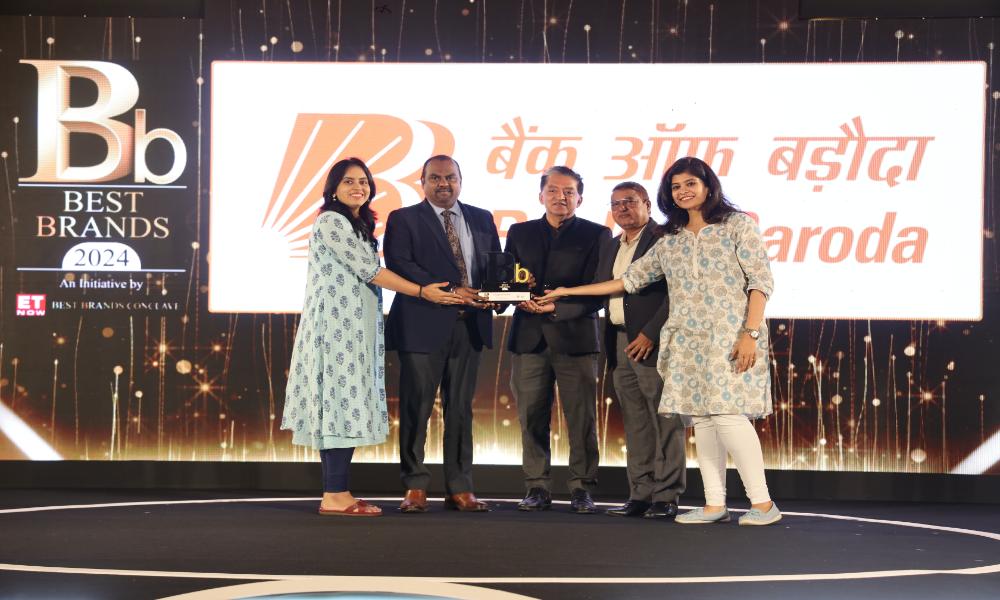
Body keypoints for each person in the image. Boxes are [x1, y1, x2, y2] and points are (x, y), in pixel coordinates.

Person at [537, 157, 781, 526]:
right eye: (675, 187)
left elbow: (760, 282)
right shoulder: (671, 239)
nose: (683, 192)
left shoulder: (737, 225)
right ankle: (714, 504)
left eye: (690, 184)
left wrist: (750, 333)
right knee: (703, 420)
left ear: (708, 186)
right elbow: (628, 280)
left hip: (731, 337)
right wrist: (567, 291)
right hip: (685, 342)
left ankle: (762, 504)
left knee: (729, 416)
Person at [281, 157, 465, 517]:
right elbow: (371, 271)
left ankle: (337, 491)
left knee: (344, 407)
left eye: (363, 181)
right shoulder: (331, 221)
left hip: (354, 331)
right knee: (337, 407)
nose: (358, 187)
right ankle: (335, 494)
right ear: (333, 189)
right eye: (349, 182)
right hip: (335, 332)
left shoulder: (358, 224)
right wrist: (423, 291)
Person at [384, 155, 502, 513]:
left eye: (450, 177)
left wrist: (499, 296)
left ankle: (460, 488)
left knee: (461, 410)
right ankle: (415, 486)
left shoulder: (482, 217)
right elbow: (400, 263)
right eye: (435, 178)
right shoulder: (403, 218)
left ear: (460, 181)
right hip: (422, 325)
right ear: (422, 182)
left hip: (470, 325)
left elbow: (495, 266)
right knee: (416, 407)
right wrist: (453, 289)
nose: (443, 184)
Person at [504, 166, 611, 513]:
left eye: (568, 191)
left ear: (580, 198)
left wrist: (558, 308)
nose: (560, 197)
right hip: (528, 337)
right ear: (541, 196)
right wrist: (518, 296)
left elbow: (600, 291)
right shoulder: (519, 232)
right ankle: (536, 485)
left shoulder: (598, 234)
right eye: (552, 190)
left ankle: (582, 487)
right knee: (530, 416)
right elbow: (507, 281)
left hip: (575, 337)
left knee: (581, 419)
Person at [596, 182, 686, 520]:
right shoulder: (610, 245)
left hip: (653, 342)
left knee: (666, 420)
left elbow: (677, 293)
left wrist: (650, 333)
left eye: (630, 201)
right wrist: (554, 302)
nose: (622, 208)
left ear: (647, 204)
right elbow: (600, 290)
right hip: (619, 342)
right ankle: (640, 494)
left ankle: (666, 495)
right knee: (635, 422)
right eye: (616, 203)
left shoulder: (666, 238)